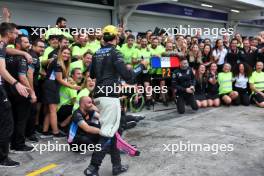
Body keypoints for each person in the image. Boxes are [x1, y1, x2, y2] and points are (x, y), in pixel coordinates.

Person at [85, 25, 146, 176]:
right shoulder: (115, 52)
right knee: (107, 133)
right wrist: (140, 67)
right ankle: (93, 168)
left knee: (112, 132)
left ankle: (116, 166)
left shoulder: (96, 53)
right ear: (116, 38)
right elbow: (129, 77)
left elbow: (92, 74)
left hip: (99, 96)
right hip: (109, 97)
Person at [0, 22, 29, 167]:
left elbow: (8, 51)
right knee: (7, 122)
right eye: (16, 33)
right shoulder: (0, 45)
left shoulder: (2, 45)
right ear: (9, 34)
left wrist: (23, 52)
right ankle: (2, 158)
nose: (17, 36)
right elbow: (2, 70)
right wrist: (16, 83)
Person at [41, 47, 80, 138]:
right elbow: (59, 79)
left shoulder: (60, 63)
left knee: (49, 111)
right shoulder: (58, 63)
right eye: (64, 53)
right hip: (51, 87)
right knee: (53, 110)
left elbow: (62, 78)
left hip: (50, 86)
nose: (66, 55)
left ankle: (45, 131)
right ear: (60, 53)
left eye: (68, 53)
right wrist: (72, 86)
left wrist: (69, 80)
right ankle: (55, 132)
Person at [5, 35, 35, 153]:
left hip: (7, 91)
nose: (28, 44)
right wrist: (32, 93)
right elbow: (23, 77)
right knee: (21, 120)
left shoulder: (6, 54)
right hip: (21, 92)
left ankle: (12, 143)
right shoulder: (23, 58)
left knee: (12, 119)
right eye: (26, 42)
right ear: (18, 44)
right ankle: (18, 144)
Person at [26, 38, 45, 142]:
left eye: (43, 47)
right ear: (33, 46)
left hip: (31, 86)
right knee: (31, 111)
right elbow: (29, 74)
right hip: (30, 87)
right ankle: (30, 134)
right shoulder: (34, 57)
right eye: (40, 46)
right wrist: (32, 92)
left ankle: (29, 132)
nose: (42, 49)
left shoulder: (34, 55)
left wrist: (43, 74)